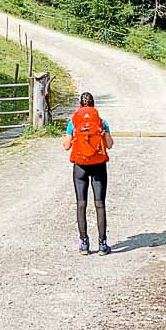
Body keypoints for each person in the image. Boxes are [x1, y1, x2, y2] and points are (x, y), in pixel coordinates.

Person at [63, 92, 114, 256]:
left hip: (80, 166)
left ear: (80, 104)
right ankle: (102, 243)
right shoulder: (101, 121)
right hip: (98, 164)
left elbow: (66, 146)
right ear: (93, 104)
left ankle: (84, 243)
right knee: (100, 203)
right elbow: (109, 144)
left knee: (81, 203)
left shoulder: (73, 121)